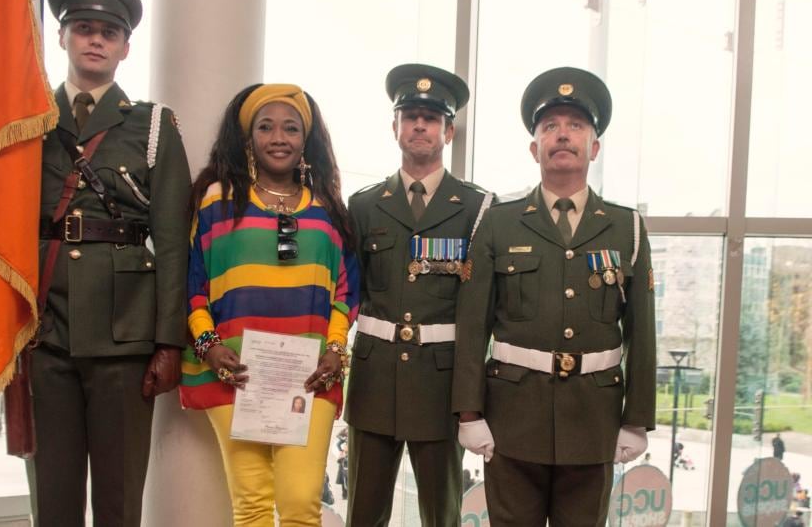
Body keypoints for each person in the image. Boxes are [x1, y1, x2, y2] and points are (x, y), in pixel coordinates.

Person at [452, 67, 657, 526]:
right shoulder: (498, 222)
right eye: (550, 127)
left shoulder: (628, 228)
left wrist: (636, 418)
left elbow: (643, 335)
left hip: (593, 421)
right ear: (535, 147)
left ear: (594, 147)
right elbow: (472, 326)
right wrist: (469, 412)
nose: (562, 135)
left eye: (576, 126)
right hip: (512, 420)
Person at [31, 0, 192, 525]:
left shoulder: (152, 126)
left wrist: (169, 341)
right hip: (43, 329)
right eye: (82, 28)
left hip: (125, 334)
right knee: (52, 497)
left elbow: (172, 242)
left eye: (109, 33)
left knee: (120, 499)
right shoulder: (27, 120)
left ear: (125, 47)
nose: (95, 40)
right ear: (61, 37)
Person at [180, 83, 360, 526]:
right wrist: (209, 346)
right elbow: (192, 285)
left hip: (309, 376)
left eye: (291, 128)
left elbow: (345, 295)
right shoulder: (215, 201)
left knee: (300, 503)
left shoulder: (329, 210)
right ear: (248, 139)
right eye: (266, 127)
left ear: (306, 141)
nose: (278, 137)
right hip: (234, 372)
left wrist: (336, 351)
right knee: (252, 505)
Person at [345, 63, 492, 527]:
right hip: (374, 378)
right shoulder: (364, 205)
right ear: (395, 128)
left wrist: (472, 400)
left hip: (439, 383)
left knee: (441, 514)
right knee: (363, 513)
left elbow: (478, 310)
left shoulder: (476, 206)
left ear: (448, 132)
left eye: (431, 118)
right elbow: (348, 292)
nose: (420, 126)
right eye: (410, 116)